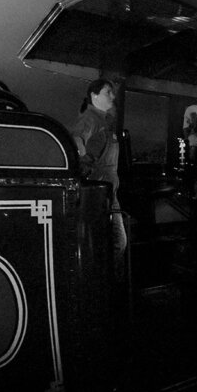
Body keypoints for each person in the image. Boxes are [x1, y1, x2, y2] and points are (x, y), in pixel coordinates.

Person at [71, 78, 127, 280]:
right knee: (117, 243)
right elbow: (76, 141)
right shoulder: (91, 119)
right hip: (100, 195)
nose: (112, 96)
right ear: (94, 96)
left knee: (113, 243)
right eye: (107, 92)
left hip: (108, 192)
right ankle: (107, 286)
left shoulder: (103, 120)